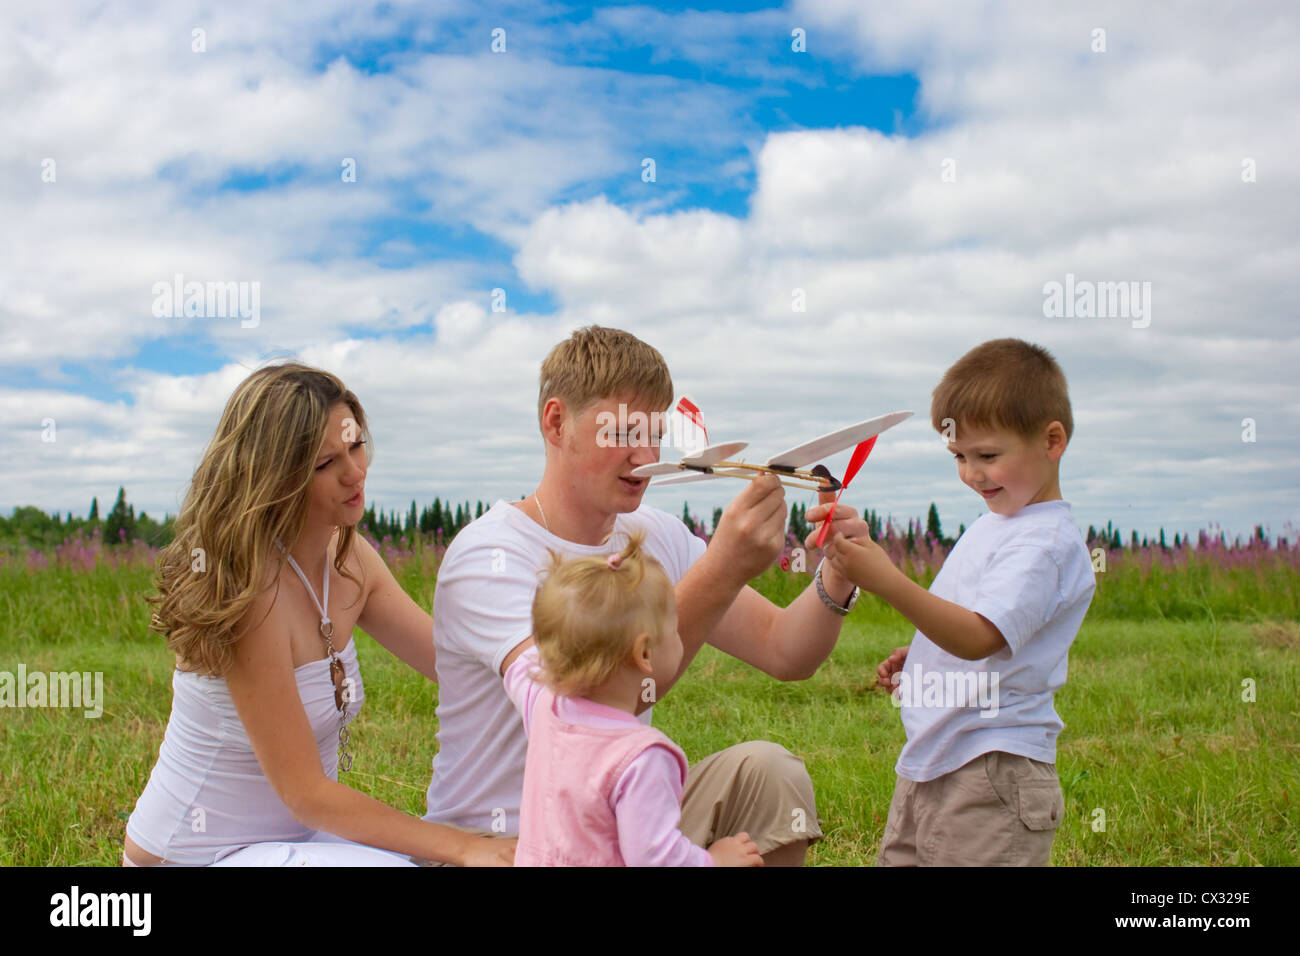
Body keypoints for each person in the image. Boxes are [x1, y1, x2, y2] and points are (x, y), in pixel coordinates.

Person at [423, 325, 876, 866]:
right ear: (556, 421)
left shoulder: (654, 533)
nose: (643, 454)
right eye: (621, 432)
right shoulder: (491, 555)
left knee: (769, 774)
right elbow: (575, 704)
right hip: (505, 847)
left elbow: (785, 650)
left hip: (620, 823)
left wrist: (838, 575)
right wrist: (724, 567)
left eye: (654, 432)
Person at [123, 362, 513, 867]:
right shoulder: (248, 594)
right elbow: (305, 793)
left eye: (356, 445)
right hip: (195, 854)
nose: (355, 472)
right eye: (327, 462)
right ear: (275, 475)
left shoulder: (350, 560)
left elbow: (458, 667)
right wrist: (464, 846)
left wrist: (561, 668)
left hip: (295, 844)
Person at [824, 338, 1096, 866]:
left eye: (988, 455)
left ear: (1052, 440)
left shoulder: (1046, 544)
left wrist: (886, 579)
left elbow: (979, 636)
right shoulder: (996, 527)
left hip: (993, 771)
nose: (972, 473)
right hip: (937, 760)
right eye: (959, 457)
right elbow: (971, 627)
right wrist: (926, 654)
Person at [508, 532, 764, 866]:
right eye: (672, 628)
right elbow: (655, 858)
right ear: (644, 652)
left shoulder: (545, 705)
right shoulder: (641, 758)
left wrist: (569, 628)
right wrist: (715, 861)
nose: (678, 636)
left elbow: (523, 664)